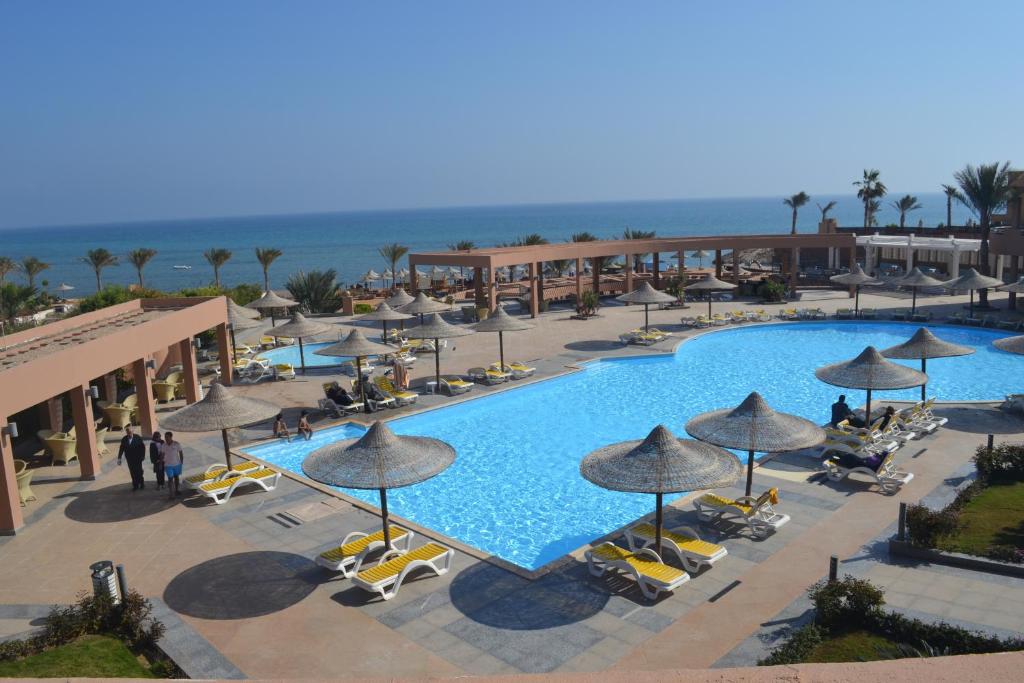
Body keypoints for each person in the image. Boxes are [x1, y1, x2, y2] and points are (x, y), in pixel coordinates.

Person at [117, 424, 147, 491]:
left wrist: (143, 456)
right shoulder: (124, 439)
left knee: (139, 471)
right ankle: (135, 485)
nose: (129, 434)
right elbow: (121, 448)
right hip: (130, 459)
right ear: (126, 433)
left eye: (130, 432)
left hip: (138, 458)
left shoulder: (137, 437)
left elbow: (142, 447)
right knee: (132, 472)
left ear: (133, 432)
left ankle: (141, 484)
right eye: (128, 433)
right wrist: (119, 458)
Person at [161, 432, 184, 498]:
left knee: (176, 478)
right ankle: (171, 494)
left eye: (167, 437)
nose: (166, 438)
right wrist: (160, 463)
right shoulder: (163, 445)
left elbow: (181, 453)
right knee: (170, 479)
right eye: (165, 437)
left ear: (171, 437)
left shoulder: (177, 444)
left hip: (177, 464)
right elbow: (162, 454)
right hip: (168, 465)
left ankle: (176, 490)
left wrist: (181, 462)